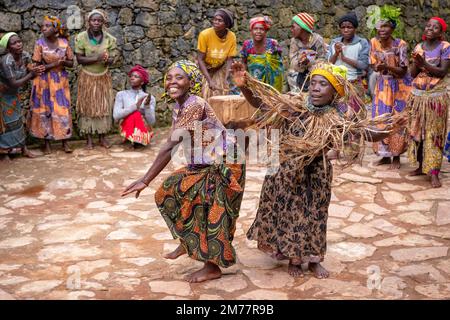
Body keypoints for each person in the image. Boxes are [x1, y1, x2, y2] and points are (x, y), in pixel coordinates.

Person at [231, 60, 406, 278]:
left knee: (315, 215)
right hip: (286, 170)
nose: (315, 87)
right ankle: (292, 258)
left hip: (316, 173)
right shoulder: (295, 105)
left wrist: (390, 130)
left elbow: (364, 133)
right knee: (288, 214)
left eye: (323, 84)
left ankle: (313, 260)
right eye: (313, 82)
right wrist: (244, 86)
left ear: (334, 91)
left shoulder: (339, 116)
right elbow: (263, 104)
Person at [121, 60, 245, 283]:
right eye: (169, 77)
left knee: (213, 214)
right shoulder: (180, 106)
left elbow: (170, 145)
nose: (172, 82)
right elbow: (177, 143)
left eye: (179, 77)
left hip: (226, 162)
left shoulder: (194, 104)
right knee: (170, 192)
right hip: (203, 163)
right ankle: (189, 241)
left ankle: (212, 267)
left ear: (191, 82)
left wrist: (145, 179)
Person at [408, 17, 450, 188]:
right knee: (417, 131)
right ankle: (420, 166)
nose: (430, 29)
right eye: (428, 26)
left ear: (441, 32)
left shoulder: (445, 47)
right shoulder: (419, 47)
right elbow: (412, 74)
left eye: (435, 27)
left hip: (435, 98)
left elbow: (442, 72)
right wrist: (417, 64)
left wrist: (424, 62)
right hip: (418, 96)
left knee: (434, 134)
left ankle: (434, 172)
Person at [368, 7, 412, 169]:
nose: (382, 29)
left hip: (399, 87)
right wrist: (378, 67)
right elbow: (373, 65)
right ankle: (384, 155)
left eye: (386, 26)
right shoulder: (373, 42)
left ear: (393, 28)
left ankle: (396, 157)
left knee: (397, 119)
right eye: (380, 26)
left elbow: (403, 71)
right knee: (381, 118)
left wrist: (388, 66)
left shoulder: (401, 44)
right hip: (382, 85)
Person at [28, 16, 74, 154]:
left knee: (62, 110)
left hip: (60, 81)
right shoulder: (40, 44)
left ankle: (64, 141)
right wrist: (56, 64)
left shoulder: (64, 43)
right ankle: (46, 142)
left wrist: (63, 63)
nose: (43, 28)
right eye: (43, 26)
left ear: (56, 29)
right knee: (45, 110)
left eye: (47, 26)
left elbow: (71, 63)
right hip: (44, 82)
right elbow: (37, 67)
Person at [75, 9, 117, 149]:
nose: (96, 23)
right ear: (89, 22)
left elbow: (112, 58)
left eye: (99, 20)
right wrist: (96, 58)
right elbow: (80, 59)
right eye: (94, 20)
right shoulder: (81, 37)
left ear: (103, 22)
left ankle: (102, 137)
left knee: (103, 107)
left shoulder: (109, 39)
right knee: (87, 107)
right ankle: (89, 139)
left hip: (102, 78)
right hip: (88, 78)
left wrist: (107, 60)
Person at [0, 32, 43, 161]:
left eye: (19, 41)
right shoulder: (6, 61)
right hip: (3, 95)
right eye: (14, 43)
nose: (18, 44)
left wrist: (36, 71)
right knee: (6, 125)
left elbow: (31, 71)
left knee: (18, 121)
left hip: (13, 94)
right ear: (8, 48)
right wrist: (31, 74)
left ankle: (23, 149)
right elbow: (13, 83)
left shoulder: (25, 56)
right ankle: (4, 152)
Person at [327, 12, 370, 110]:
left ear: (355, 29)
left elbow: (363, 65)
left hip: (354, 85)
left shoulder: (361, 43)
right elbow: (328, 64)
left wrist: (344, 58)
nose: (346, 30)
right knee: (337, 114)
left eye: (349, 27)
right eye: (343, 27)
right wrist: (336, 54)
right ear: (340, 28)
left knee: (355, 114)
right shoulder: (334, 42)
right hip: (336, 84)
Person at [197, 8, 237, 99]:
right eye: (215, 19)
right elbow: (200, 59)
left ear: (226, 24)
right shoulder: (205, 35)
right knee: (205, 95)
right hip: (205, 70)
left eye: (220, 20)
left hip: (219, 68)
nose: (216, 22)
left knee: (222, 94)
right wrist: (209, 80)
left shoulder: (231, 37)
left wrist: (226, 78)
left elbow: (230, 59)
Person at [113, 65, 155, 148]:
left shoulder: (149, 98)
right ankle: (135, 138)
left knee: (137, 114)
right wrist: (135, 106)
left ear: (142, 82)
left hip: (144, 127)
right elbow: (116, 116)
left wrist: (147, 107)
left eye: (136, 76)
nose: (132, 78)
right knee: (134, 114)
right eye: (131, 76)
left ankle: (139, 138)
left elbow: (151, 122)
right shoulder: (121, 94)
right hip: (125, 127)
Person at [240, 16, 284, 92]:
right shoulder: (247, 45)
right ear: (251, 30)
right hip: (254, 81)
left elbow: (278, 64)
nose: (258, 31)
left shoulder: (273, 44)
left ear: (266, 31)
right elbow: (244, 62)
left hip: (271, 83)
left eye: (261, 29)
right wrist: (245, 80)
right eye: (255, 29)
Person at [287, 12, 326, 92]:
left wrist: (310, 63)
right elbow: (293, 63)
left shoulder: (317, 40)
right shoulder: (294, 41)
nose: (291, 29)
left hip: (315, 76)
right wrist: (300, 61)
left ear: (302, 28)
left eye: (293, 27)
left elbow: (323, 60)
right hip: (299, 77)